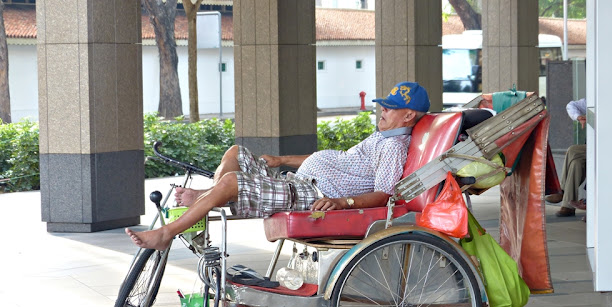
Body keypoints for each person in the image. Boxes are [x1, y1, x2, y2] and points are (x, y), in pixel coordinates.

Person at [126, 81, 430, 250]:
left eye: (391, 108)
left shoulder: (393, 147)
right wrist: (282, 160)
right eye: (384, 104)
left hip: (310, 196)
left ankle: (168, 233)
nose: (383, 110)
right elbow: (334, 161)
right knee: (236, 153)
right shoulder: (381, 136)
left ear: (408, 116)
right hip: (299, 181)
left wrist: (341, 202)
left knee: (233, 181)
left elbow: (385, 194)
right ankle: (207, 195)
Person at [545, 98, 587, 217]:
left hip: (606, 147)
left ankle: (561, 190)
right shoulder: (594, 100)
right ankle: (568, 207)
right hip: (592, 147)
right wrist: (579, 117)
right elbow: (571, 105)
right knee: (576, 164)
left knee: (572, 150)